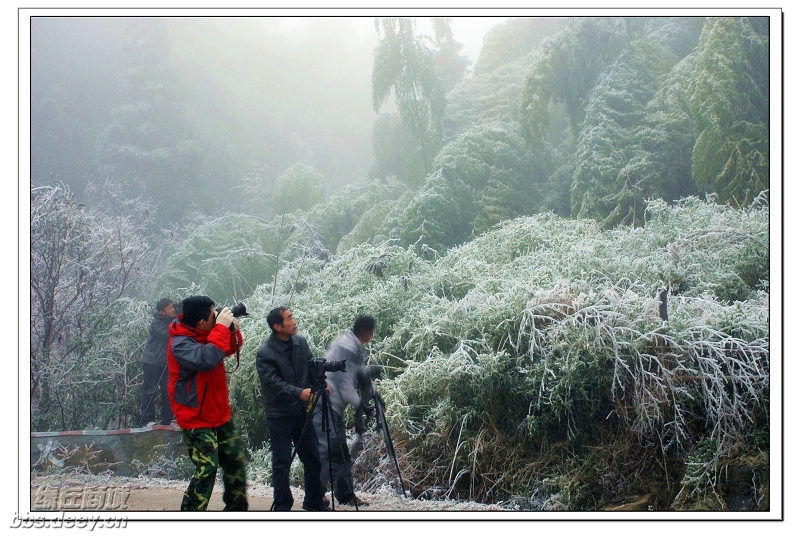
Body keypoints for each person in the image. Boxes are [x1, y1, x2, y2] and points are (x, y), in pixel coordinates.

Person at [167, 295, 248, 511]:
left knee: (234, 461)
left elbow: (226, 350)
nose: (216, 318)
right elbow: (207, 359)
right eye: (213, 316)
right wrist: (221, 329)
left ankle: (235, 511)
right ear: (202, 322)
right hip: (195, 416)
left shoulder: (204, 332)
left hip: (217, 412)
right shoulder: (180, 343)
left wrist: (231, 331)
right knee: (207, 467)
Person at [255, 307, 329, 512]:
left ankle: (314, 502)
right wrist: (299, 392)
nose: (294, 321)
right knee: (281, 463)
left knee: (313, 458)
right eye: (289, 318)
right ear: (277, 326)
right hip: (279, 415)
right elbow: (272, 382)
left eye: (292, 316)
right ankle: (282, 506)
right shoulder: (265, 352)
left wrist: (322, 383)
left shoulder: (300, 343)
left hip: (302, 412)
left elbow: (310, 367)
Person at [313, 315, 375, 507]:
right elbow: (344, 384)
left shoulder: (350, 344)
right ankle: (320, 496)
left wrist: (374, 396)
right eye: (372, 331)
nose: (372, 335)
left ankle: (338, 494)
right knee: (332, 451)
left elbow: (360, 377)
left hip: (330, 406)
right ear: (366, 331)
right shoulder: (348, 348)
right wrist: (361, 405)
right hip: (326, 405)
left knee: (336, 452)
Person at [138, 298, 177, 426]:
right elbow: (170, 334)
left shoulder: (173, 321)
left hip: (166, 364)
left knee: (168, 391)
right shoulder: (156, 324)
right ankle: (147, 420)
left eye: (173, 307)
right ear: (162, 312)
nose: (173, 309)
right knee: (150, 391)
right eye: (169, 308)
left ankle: (168, 419)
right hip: (152, 363)